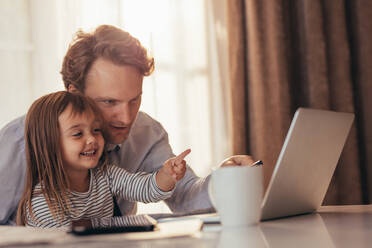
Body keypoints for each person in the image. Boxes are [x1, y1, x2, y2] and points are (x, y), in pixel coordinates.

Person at [0, 24, 254, 225]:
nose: (126, 117)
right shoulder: (20, 141)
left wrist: (224, 178)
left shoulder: (146, 133)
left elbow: (185, 197)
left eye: (135, 100)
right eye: (109, 101)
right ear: (74, 92)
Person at [17, 91, 190, 228]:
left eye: (96, 130)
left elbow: (145, 189)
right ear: (49, 143)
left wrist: (167, 175)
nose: (92, 139)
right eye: (78, 134)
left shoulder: (106, 175)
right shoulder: (43, 202)